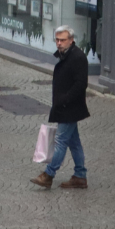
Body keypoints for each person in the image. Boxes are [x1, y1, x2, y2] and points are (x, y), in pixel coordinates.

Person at [32, 26, 91, 190]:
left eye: (62, 40)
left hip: (69, 107)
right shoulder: (66, 55)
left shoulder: (77, 57)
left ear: (71, 40)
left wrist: (65, 100)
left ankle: (48, 174)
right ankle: (80, 176)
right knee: (74, 143)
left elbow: (81, 84)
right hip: (65, 106)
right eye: (57, 40)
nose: (59, 43)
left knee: (60, 141)